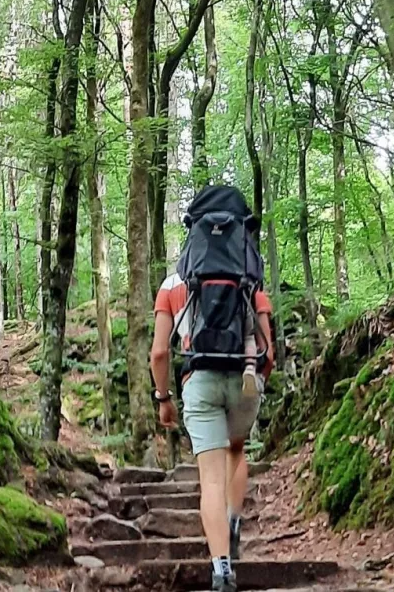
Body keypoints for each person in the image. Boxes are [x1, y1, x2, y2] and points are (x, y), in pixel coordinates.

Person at [149, 185, 275, 592]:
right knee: (237, 451)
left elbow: (158, 354)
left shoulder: (173, 284)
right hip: (244, 377)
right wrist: (258, 380)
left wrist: (164, 399)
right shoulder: (250, 279)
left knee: (211, 480)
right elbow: (268, 348)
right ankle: (234, 520)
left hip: (198, 381)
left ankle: (221, 569)